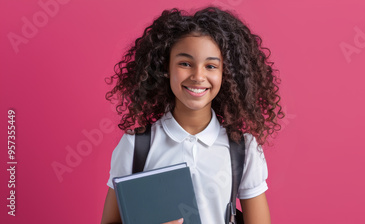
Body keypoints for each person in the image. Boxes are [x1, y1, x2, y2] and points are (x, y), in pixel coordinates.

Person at [101, 6, 284, 224]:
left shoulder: (243, 149)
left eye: (211, 66)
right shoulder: (136, 146)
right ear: (165, 67)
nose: (198, 76)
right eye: (185, 64)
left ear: (226, 73)